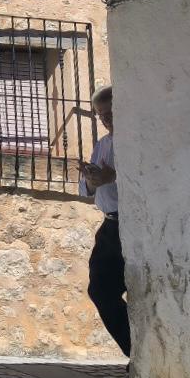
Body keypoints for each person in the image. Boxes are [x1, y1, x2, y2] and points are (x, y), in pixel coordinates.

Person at [80, 85, 131, 360]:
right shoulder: (103, 145)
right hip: (110, 226)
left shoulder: (135, 141)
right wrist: (90, 179)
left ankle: (141, 355)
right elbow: (86, 188)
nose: (106, 120)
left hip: (132, 226)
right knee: (99, 289)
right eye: (101, 116)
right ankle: (136, 351)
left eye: (110, 113)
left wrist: (113, 177)